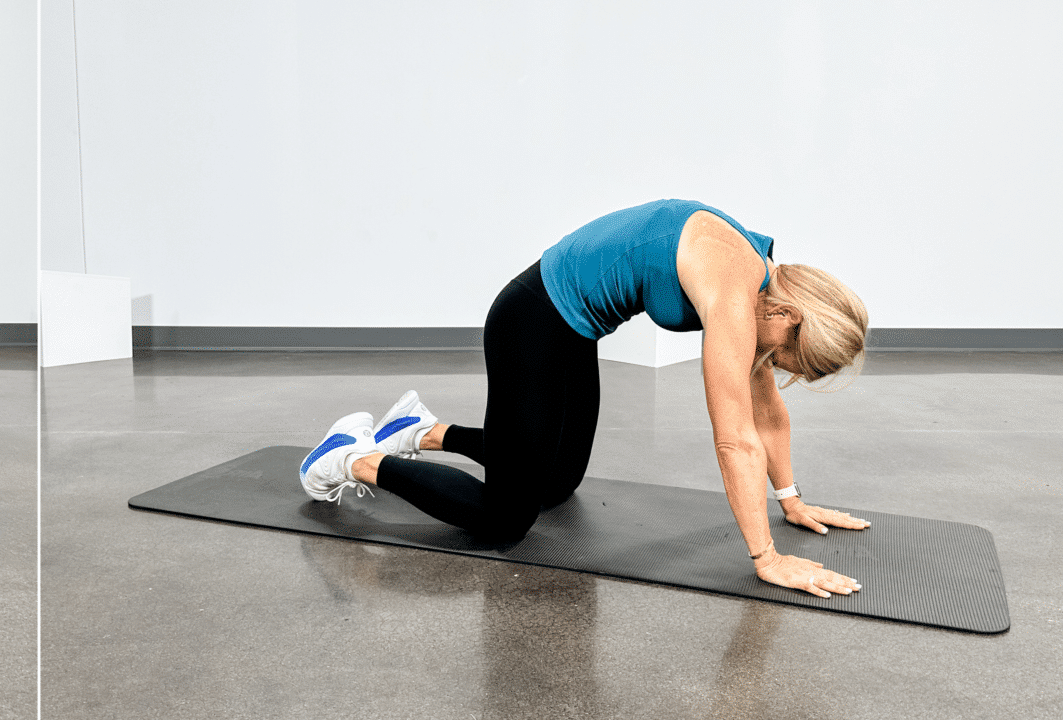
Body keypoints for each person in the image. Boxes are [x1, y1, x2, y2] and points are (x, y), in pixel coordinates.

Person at [298, 199, 872, 599]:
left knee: (557, 484)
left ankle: (421, 430)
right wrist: (767, 559)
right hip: (531, 321)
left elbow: (766, 411)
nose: (777, 366)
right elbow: (734, 439)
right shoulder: (733, 291)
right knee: (504, 518)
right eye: (791, 358)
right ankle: (349, 456)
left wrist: (791, 499)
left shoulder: (762, 282)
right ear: (788, 316)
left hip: (572, 331)